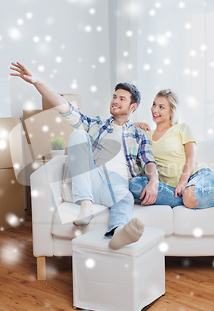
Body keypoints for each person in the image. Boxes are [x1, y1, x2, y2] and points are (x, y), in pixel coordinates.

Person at [10, 62, 159, 249]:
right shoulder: (96, 125)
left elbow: (149, 161)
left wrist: (154, 180)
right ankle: (85, 205)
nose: (115, 101)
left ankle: (118, 233)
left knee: (126, 198)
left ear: (133, 107)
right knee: (78, 134)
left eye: (122, 99)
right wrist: (37, 82)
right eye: (114, 96)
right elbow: (64, 107)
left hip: (118, 184)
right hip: (92, 178)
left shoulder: (139, 134)